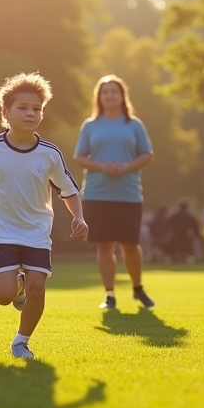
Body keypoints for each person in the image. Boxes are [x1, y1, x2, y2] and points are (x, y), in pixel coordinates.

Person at [0, 72, 88, 359]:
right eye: (23, 108)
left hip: (37, 233)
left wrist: (78, 217)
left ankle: (21, 341)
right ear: (5, 112)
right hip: (1, 232)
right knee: (3, 296)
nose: (31, 113)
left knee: (38, 287)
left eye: (37, 108)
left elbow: (68, 189)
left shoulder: (49, 153)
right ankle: (17, 287)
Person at [72, 75, 155, 310]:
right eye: (105, 91)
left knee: (130, 244)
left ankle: (138, 288)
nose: (109, 95)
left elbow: (147, 155)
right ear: (99, 96)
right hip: (97, 194)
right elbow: (79, 157)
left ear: (122, 96)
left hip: (128, 194)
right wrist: (102, 166)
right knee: (105, 245)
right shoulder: (90, 125)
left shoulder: (134, 124)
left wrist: (126, 166)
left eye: (114, 91)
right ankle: (109, 294)